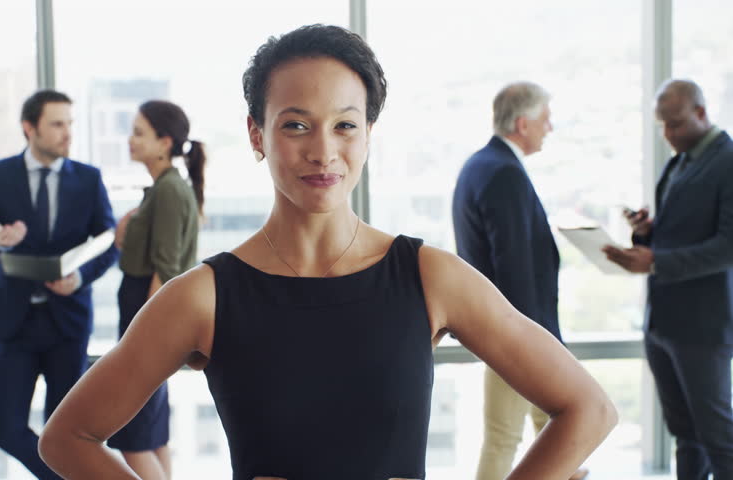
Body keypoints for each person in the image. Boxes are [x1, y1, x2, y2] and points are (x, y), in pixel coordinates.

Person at [38, 24, 616, 480]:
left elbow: (588, 409)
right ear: (256, 134)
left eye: (345, 125)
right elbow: (67, 437)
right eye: (295, 125)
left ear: (368, 134)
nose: (323, 151)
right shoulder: (203, 297)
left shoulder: (429, 276)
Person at [0, 89, 118, 479]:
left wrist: (80, 277)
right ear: (29, 128)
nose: (67, 133)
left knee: (64, 432)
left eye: (69, 123)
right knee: (7, 430)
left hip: (67, 324)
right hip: (14, 323)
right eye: (56, 124)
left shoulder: (88, 179)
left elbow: (109, 245)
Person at [451, 82, 588, 480]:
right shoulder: (503, 173)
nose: (550, 127)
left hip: (507, 331)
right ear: (523, 123)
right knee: (504, 437)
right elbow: (514, 267)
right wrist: (533, 345)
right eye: (546, 120)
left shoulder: (481, 165)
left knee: (556, 427)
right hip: (517, 337)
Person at [604, 79, 733, 480]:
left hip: (703, 325)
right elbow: (681, 232)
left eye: (675, 124)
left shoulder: (728, 160)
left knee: (717, 436)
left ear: (700, 112)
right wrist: (646, 233)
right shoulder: (680, 161)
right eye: (662, 125)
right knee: (684, 435)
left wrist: (656, 261)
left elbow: (728, 247)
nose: (668, 135)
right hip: (663, 321)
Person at [107, 99, 206, 479]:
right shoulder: (164, 189)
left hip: (147, 320)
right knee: (151, 436)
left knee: (134, 441)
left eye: (138, 133)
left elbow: (164, 273)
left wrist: (142, 341)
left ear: (164, 142)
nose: (130, 140)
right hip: (149, 320)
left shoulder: (168, 191)